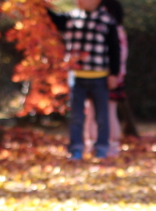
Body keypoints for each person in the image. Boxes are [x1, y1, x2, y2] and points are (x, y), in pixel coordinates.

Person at [47, 0, 121, 160]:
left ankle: (101, 148)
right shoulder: (71, 17)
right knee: (76, 116)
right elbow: (53, 20)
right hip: (77, 76)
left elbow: (115, 49)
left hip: (100, 76)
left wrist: (114, 74)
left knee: (102, 116)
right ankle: (75, 149)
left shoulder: (107, 20)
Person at [85, 0, 127, 156]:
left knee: (107, 111)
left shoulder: (115, 31)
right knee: (92, 111)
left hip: (109, 78)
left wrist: (114, 75)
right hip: (98, 76)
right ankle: (92, 144)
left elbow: (119, 57)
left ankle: (111, 145)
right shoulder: (102, 29)